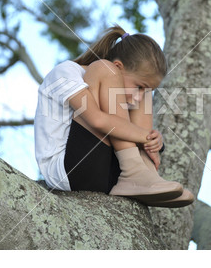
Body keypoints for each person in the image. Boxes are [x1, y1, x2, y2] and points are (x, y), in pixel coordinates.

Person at [34, 25, 194, 208]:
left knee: (143, 95)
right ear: (118, 66)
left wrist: (152, 140)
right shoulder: (66, 72)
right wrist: (145, 137)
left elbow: (124, 115)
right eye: (138, 87)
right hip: (71, 170)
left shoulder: (136, 91)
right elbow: (97, 120)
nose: (139, 96)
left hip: (107, 173)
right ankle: (134, 171)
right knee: (104, 69)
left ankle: (145, 174)